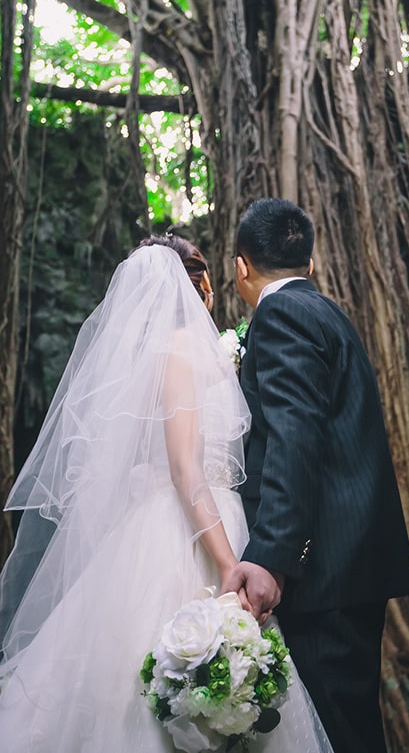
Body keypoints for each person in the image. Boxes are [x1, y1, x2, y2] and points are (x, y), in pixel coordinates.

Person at [0, 236, 331, 752]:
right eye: (202, 281)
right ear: (195, 285)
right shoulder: (177, 350)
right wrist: (227, 567)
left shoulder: (183, 352)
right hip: (191, 533)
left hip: (208, 519)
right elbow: (184, 471)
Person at [226, 198, 409, 753]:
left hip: (323, 574)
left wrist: (270, 556)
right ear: (309, 264)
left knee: (338, 732)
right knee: (350, 724)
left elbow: (295, 438)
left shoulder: (280, 316)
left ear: (242, 267)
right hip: (353, 564)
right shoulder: (329, 312)